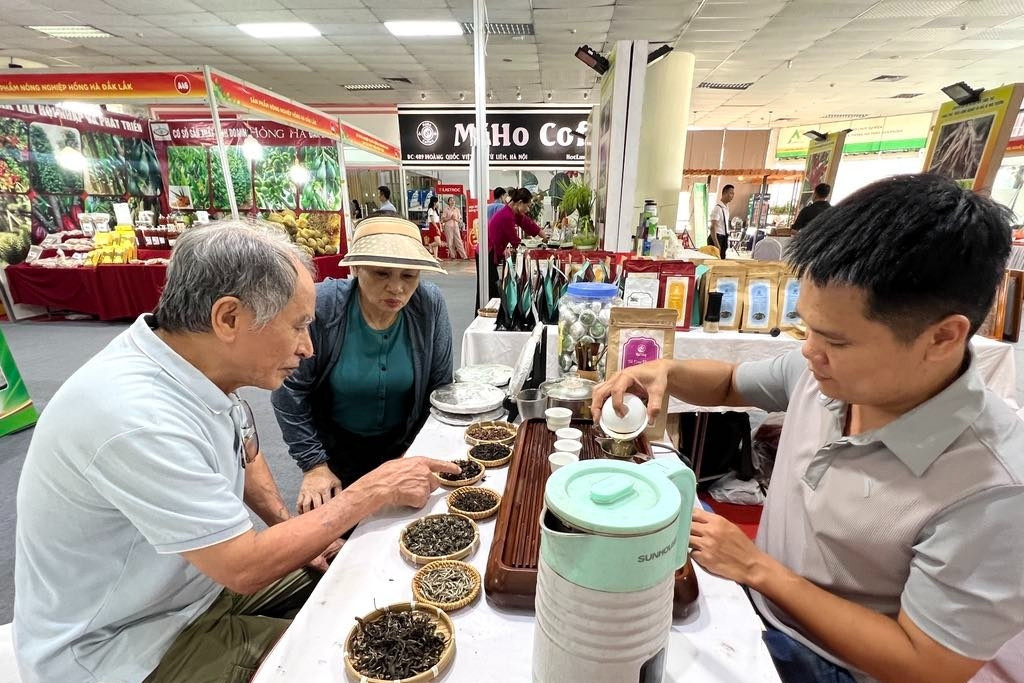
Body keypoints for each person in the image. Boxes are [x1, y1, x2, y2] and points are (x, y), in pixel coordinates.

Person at [593, 174, 1023, 683]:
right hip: (752, 605)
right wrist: (667, 371)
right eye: (807, 326)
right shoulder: (825, 378)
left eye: (836, 340)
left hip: (832, 664)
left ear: (942, 337)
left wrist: (758, 569)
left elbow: (925, 663)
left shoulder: (995, 490)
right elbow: (732, 383)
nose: (808, 350)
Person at [13, 223, 459, 683]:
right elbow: (243, 567)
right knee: (352, 659)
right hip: (128, 645)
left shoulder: (186, 361)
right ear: (228, 318)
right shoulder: (136, 417)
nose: (307, 348)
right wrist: (367, 492)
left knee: (361, 575)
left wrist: (295, 529)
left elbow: (245, 451)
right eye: (299, 326)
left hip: (195, 589)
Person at [273, 215, 454, 513]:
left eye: (408, 276)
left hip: (404, 443)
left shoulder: (428, 304)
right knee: (333, 544)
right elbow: (289, 392)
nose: (396, 288)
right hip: (335, 450)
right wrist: (313, 464)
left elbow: (440, 387)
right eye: (382, 274)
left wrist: (419, 450)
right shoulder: (323, 305)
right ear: (356, 269)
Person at [486, 186, 547, 300]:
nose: (528, 209)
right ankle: (488, 315)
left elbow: (528, 224)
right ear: (519, 202)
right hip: (487, 252)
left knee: (494, 288)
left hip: (493, 251)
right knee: (491, 290)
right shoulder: (506, 216)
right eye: (527, 206)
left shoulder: (513, 212)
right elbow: (515, 240)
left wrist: (545, 237)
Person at [709, 183, 733, 258]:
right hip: (716, 238)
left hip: (724, 237)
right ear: (725, 193)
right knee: (710, 262)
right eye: (731, 193)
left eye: (733, 194)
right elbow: (712, 227)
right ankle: (698, 270)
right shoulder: (717, 208)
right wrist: (717, 244)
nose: (732, 196)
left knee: (721, 261)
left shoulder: (726, 208)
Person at [441, 195, 468, 259]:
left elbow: (460, 220)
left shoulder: (457, 210)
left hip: (456, 226)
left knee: (458, 241)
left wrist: (455, 219)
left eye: (453, 200)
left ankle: (464, 256)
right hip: (448, 227)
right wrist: (450, 218)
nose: (452, 201)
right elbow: (443, 220)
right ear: (448, 202)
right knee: (450, 242)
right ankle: (452, 256)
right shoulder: (446, 209)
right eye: (451, 200)